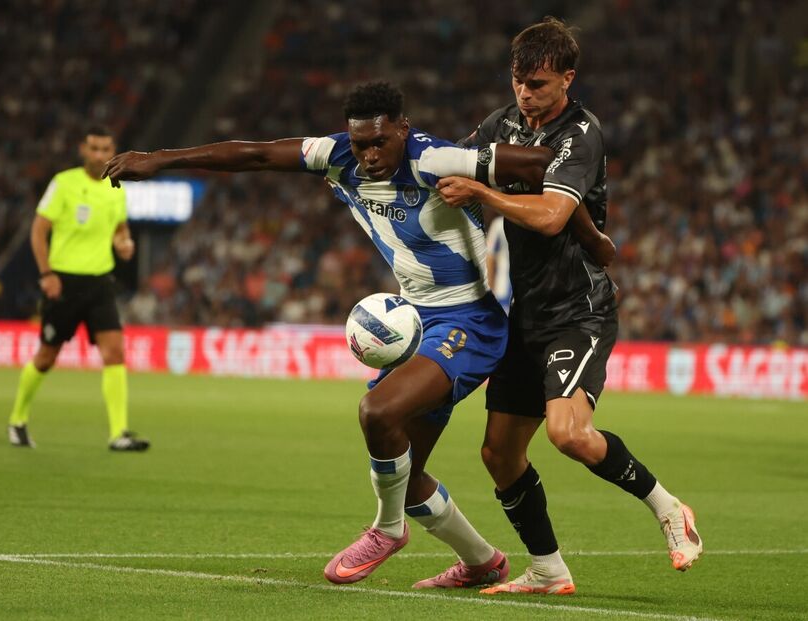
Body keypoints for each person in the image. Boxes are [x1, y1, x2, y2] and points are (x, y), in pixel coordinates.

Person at [104, 82, 555, 588]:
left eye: (381, 142)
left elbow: (537, 164)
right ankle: (484, 563)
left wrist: (503, 192)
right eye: (360, 143)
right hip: (418, 324)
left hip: (470, 322)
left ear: (403, 131)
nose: (369, 155)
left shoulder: (434, 159)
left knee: (377, 412)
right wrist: (161, 159)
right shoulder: (337, 157)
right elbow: (254, 156)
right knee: (405, 474)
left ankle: (387, 531)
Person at [438, 17, 703, 595]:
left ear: (566, 78)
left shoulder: (581, 134)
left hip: (576, 309)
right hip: (524, 312)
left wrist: (483, 193)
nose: (525, 94)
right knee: (498, 453)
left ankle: (668, 508)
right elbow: (450, 160)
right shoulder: (501, 123)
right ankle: (547, 568)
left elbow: (554, 215)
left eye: (537, 83)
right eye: (518, 81)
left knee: (568, 434)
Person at [7, 125, 150, 452]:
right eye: (95, 149)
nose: (100, 155)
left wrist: (123, 244)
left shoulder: (116, 187)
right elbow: (38, 231)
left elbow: (120, 230)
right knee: (46, 357)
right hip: (64, 282)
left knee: (115, 352)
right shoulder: (64, 183)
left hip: (100, 281)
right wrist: (46, 274)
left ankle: (119, 433)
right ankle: (17, 418)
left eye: (106, 149)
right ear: (83, 150)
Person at [484, 214, 512, 314]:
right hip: (503, 290)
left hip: (506, 290)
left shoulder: (498, 224)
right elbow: (490, 258)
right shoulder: (499, 224)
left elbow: (490, 258)